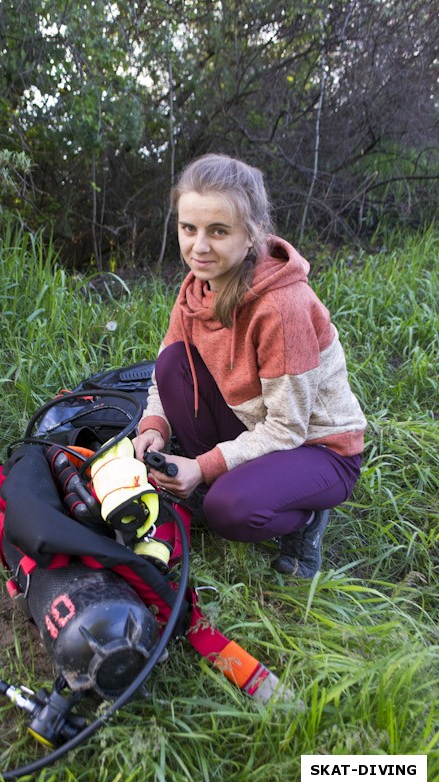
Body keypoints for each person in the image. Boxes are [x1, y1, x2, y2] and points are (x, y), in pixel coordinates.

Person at [133, 153, 366, 578]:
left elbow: (289, 428)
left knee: (228, 510)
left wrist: (203, 467)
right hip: (254, 420)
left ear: (252, 233)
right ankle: (216, 483)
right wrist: (154, 426)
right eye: (189, 228)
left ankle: (306, 520)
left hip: (319, 448)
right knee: (171, 365)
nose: (199, 246)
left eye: (218, 231)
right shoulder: (196, 290)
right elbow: (160, 379)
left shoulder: (282, 306)